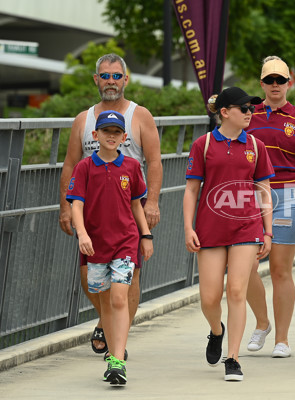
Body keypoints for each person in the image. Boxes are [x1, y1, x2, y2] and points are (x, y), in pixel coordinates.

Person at [58, 53, 163, 357]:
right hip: (91, 215)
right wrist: (65, 206)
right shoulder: (84, 119)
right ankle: (106, 321)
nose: (111, 82)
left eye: (117, 76)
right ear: (96, 80)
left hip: (130, 210)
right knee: (88, 280)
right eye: (105, 76)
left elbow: (154, 162)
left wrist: (152, 202)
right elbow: (70, 164)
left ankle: (118, 347)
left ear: (126, 79)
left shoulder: (139, 115)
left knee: (128, 280)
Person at [183, 87, 275, 381]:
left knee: (236, 291)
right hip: (210, 228)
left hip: (246, 228)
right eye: (244, 108)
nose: (250, 113)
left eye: (251, 109)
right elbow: (191, 190)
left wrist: (268, 231)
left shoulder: (257, 146)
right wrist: (188, 227)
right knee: (209, 298)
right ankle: (216, 330)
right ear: (225, 112)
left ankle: (232, 358)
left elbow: (264, 191)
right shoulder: (204, 144)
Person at [66, 110, 154, 384]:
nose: (111, 137)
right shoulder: (85, 168)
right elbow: (76, 204)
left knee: (119, 298)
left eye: (117, 133)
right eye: (106, 132)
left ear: (124, 136)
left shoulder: (130, 167)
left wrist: (145, 235)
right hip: (95, 244)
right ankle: (113, 344)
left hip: (126, 241)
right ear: (96, 135)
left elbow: (136, 205)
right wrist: (82, 234)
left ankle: (117, 361)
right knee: (104, 300)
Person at [244, 56, 295, 358]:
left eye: (281, 80)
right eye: (269, 80)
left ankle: (283, 340)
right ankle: (262, 323)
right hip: (250, 197)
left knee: (279, 270)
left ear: (290, 82)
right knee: (245, 267)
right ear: (261, 83)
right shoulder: (247, 115)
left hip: (290, 197)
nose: (275, 85)